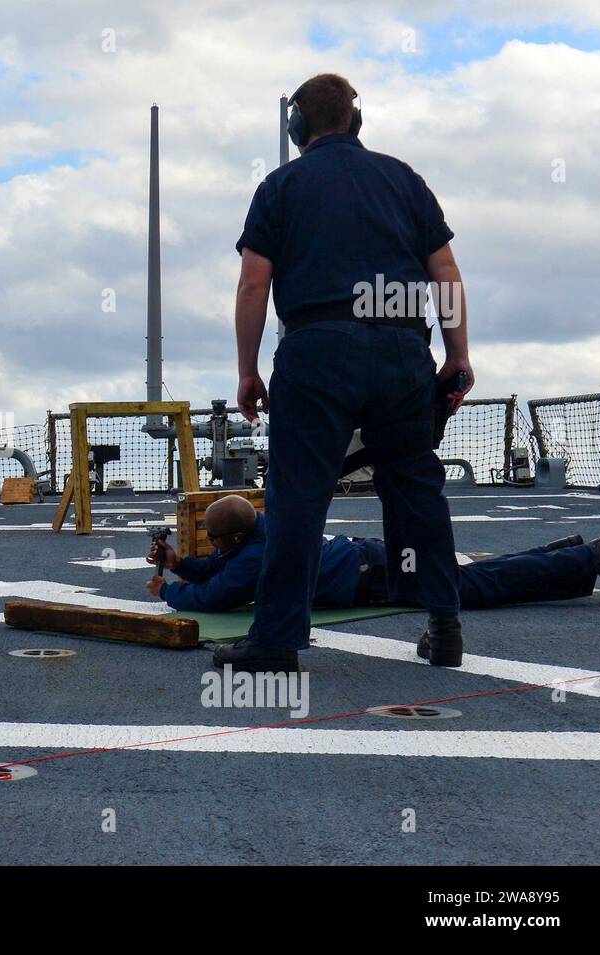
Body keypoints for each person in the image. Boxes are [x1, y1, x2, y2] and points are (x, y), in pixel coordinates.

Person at [225, 73, 473, 673]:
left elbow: (254, 282)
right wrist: (457, 356)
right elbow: (445, 272)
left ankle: (277, 642)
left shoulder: (279, 186)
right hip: (401, 349)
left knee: (299, 496)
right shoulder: (404, 180)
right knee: (415, 488)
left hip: (317, 350)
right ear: (355, 122)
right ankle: (443, 626)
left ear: (298, 127)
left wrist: (248, 370)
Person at [145, 496, 600, 658]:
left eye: (215, 537)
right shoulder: (263, 533)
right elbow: (222, 569)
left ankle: (590, 558)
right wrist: (179, 563)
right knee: (470, 578)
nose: (213, 544)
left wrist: (170, 591)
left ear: (233, 535)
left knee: (478, 588)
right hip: (372, 560)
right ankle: (564, 556)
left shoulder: (254, 552)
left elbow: (218, 596)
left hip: (376, 575)